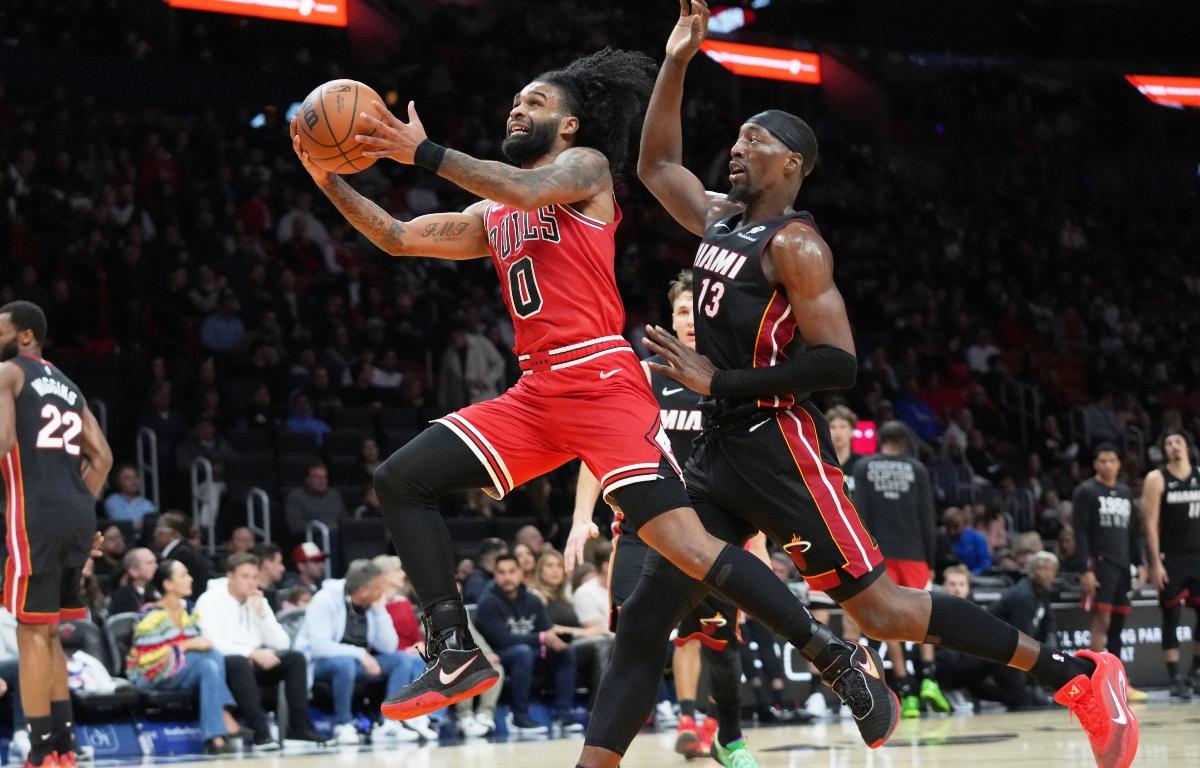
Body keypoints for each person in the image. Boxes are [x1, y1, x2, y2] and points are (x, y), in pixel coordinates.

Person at [598, 4, 1136, 768]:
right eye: (738, 135)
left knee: (882, 612)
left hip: (778, 449)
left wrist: (721, 377)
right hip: (717, 455)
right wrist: (677, 62)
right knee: (645, 620)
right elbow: (655, 168)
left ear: (792, 163)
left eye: (757, 138)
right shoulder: (721, 221)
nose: (738, 147)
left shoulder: (798, 246)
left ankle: (1078, 677)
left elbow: (838, 364)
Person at [296, 40, 860, 740]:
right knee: (400, 478)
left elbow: (527, 188)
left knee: (689, 547)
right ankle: (453, 650)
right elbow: (399, 236)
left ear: (568, 124)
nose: (518, 107)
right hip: (535, 394)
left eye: (535, 100)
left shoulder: (586, 169)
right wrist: (327, 180)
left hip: (600, 380)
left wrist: (421, 151)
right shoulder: (492, 214)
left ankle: (828, 651)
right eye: (515, 100)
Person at [567, 268, 751, 760]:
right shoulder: (644, 375)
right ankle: (610, 749)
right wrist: (581, 516)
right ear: (671, 319)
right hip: (642, 528)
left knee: (720, 644)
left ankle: (729, 736)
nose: (690, 320)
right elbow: (601, 447)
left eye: (698, 311)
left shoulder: (728, 380)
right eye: (682, 311)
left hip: (713, 529)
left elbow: (751, 465)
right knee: (636, 640)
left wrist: (760, 538)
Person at [0, 300, 113, 768]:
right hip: (74, 513)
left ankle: (42, 751)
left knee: (31, 635)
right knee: (49, 636)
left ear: (25, 335)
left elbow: (3, 441)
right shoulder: (68, 385)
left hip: (35, 513)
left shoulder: (7, 372)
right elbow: (102, 457)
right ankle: (64, 749)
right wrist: (80, 508)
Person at [851, 421, 948, 718]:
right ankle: (930, 678)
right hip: (915, 553)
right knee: (924, 616)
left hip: (880, 554)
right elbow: (927, 518)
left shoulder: (864, 467)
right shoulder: (917, 470)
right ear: (906, 442)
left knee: (892, 620)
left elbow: (860, 514)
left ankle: (906, 691)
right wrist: (930, 560)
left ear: (880, 440)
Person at [297, 560, 436, 745]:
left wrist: (380, 611)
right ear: (362, 590)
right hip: (319, 663)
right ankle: (343, 724)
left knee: (401, 660)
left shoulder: (371, 605)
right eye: (378, 588)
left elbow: (388, 646)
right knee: (344, 662)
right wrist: (360, 654)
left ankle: (389, 722)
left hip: (359, 662)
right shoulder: (325, 599)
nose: (382, 594)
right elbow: (319, 646)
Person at [195, 553, 323, 749]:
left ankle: (298, 729)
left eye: (254, 577)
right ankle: (260, 733)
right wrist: (251, 653)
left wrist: (261, 614)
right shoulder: (209, 600)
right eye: (245, 577)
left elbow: (282, 643)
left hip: (255, 661)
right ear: (230, 576)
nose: (251, 582)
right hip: (225, 665)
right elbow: (212, 641)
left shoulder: (259, 601)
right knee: (238, 662)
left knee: (294, 659)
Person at [126, 560, 241, 755]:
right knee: (207, 665)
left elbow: (196, 647)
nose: (190, 578)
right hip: (151, 675)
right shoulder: (150, 615)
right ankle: (217, 732)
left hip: (177, 671)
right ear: (168, 584)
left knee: (213, 655)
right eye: (183, 575)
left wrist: (197, 644)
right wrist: (187, 645)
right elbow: (148, 661)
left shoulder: (187, 611)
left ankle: (219, 726)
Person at [474, 555, 578, 734]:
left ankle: (563, 714)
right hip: (498, 657)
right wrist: (541, 638)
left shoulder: (532, 600)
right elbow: (502, 640)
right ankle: (518, 716)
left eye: (512, 572)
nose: (507, 577)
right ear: (495, 576)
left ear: (521, 573)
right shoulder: (487, 602)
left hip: (530, 654)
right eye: (502, 573)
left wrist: (550, 641)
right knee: (522, 652)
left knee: (566, 652)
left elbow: (546, 631)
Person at [1072, 446, 1144, 670]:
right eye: (1102, 461)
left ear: (1118, 464)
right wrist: (1085, 569)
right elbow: (1080, 533)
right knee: (1101, 621)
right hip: (1099, 562)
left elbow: (1133, 533)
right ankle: (1095, 676)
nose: (1107, 465)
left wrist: (1140, 563)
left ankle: (1118, 678)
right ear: (1095, 464)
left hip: (1123, 565)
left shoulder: (1125, 492)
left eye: (1111, 460)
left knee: (1119, 623)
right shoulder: (1086, 491)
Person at [1142, 431, 1200, 699]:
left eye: (1178, 441)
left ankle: (1195, 673)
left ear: (1187, 446)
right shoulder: (1156, 478)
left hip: (1197, 555)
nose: (1173, 446)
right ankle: (1175, 676)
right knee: (1171, 616)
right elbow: (1151, 524)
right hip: (1171, 557)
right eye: (1168, 443)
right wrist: (1155, 562)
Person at [531, 550, 613, 709]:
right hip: (550, 650)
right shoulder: (537, 595)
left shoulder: (566, 597)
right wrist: (586, 633)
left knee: (609, 643)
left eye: (559, 566)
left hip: (570, 647)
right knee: (601, 644)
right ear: (540, 571)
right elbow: (547, 628)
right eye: (549, 566)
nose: (555, 570)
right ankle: (600, 708)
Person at [152, 511, 211, 594]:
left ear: (174, 534)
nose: (155, 534)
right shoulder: (179, 551)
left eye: (160, 532)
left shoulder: (183, 554)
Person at [284, 463, 346, 537]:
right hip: (312, 539)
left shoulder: (334, 494)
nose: (322, 481)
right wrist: (326, 528)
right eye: (317, 477)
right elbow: (295, 526)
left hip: (339, 536)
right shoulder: (296, 496)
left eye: (324, 477)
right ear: (307, 479)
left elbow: (345, 519)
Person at [102, 465, 156, 533]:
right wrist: (141, 523)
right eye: (127, 478)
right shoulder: (112, 501)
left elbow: (153, 523)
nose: (134, 481)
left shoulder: (146, 503)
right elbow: (123, 524)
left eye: (136, 476)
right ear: (118, 481)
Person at [109, 548, 158, 616]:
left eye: (155, 562)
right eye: (149, 563)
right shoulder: (124, 598)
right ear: (133, 571)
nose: (156, 566)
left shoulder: (151, 592)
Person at [826, 405, 863, 491]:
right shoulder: (820, 462)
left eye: (843, 426)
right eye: (832, 427)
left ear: (852, 431)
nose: (837, 432)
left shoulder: (861, 464)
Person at [462, 538, 508, 604]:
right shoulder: (475, 580)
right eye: (504, 558)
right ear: (492, 557)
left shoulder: (494, 578)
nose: (507, 562)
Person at [91, 525, 127, 593]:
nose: (118, 541)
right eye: (111, 538)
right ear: (100, 544)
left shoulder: (129, 564)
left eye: (119, 536)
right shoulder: (96, 568)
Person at [253, 543, 287, 611]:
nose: (283, 568)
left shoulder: (274, 593)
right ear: (267, 563)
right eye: (279, 562)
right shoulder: (249, 594)